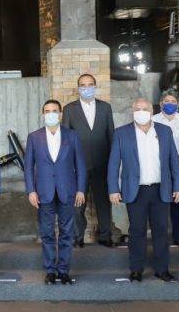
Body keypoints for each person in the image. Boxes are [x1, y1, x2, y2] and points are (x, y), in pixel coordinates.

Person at [109, 98, 179, 283]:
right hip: (135, 191)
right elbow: (113, 164)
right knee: (136, 231)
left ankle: (162, 269)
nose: (141, 111)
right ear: (132, 111)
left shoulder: (164, 131)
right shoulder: (121, 133)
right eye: (137, 108)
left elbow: (174, 160)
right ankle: (136, 270)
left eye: (144, 109)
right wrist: (113, 189)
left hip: (161, 189)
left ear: (152, 111)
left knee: (161, 231)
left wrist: (178, 186)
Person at [24, 99, 86, 285]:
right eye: (47, 111)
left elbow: (80, 165)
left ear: (60, 114)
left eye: (54, 111)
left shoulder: (72, 136)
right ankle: (50, 271)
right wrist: (31, 191)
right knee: (47, 233)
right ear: (43, 114)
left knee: (67, 233)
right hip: (43, 192)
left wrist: (81, 189)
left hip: (68, 190)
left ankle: (64, 271)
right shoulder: (34, 137)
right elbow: (28, 167)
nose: (51, 114)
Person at [62, 74, 115, 247]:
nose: (87, 88)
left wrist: (113, 164)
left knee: (104, 203)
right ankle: (77, 237)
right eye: (83, 85)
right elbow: (65, 140)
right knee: (77, 205)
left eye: (90, 84)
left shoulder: (105, 108)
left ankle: (105, 236)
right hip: (78, 168)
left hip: (102, 164)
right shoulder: (69, 109)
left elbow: (111, 136)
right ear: (78, 88)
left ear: (95, 86)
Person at [152, 91, 179, 247]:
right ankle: (160, 237)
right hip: (160, 163)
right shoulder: (153, 120)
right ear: (161, 104)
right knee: (160, 199)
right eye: (166, 101)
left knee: (177, 199)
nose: (169, 103)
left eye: (173, 101)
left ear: (178, 104)